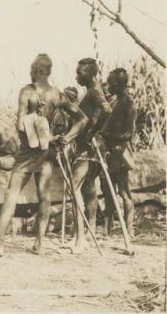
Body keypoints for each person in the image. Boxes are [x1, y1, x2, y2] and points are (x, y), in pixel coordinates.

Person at [0, 54, 88, 256]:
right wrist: (63, 138)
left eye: (32, 69)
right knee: (43, 196)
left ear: (37, 70)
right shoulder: (57, 95)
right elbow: (82, 119)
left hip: (29, 151)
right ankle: (39, 244)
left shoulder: (27, 92)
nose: (31, 72)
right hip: (46, 151)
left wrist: (45, 135)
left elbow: (21, 125)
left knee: (12, 194)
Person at [63, 58, 112, 254]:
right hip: (92, 145)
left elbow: (107, 110)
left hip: (87, 147)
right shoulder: (94, 90)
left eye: (80, 73)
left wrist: (92, 131)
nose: (77, 76)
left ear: (90, 74)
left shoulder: (94, 91)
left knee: (72, 187)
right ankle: (85, 235)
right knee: (90, 190)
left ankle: (81, 239)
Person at [101, 68, 136, 237]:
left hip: (120, 152)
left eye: (110, 82)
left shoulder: (128, 103)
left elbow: (129, 134)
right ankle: (108, 230)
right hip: (108, 152)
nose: (108, 85)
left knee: (123, 192)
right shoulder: (114, 102)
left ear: (118, 84)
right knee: (108, 191)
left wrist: (108, 135)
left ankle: (129, 230)